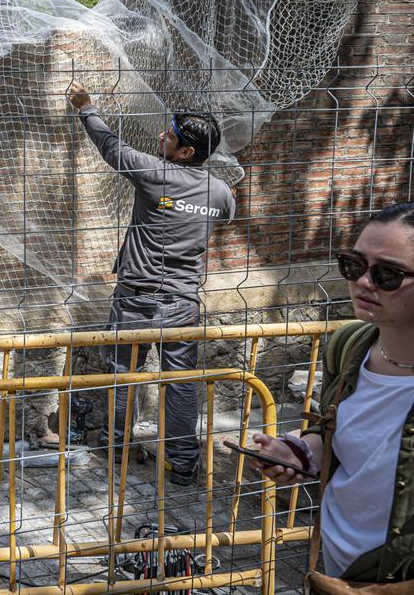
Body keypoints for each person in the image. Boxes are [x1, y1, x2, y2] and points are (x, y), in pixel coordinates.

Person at [67, 81, 235, 486]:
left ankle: (115, 445)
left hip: (136, 301)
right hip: (182, 303)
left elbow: (110, 147)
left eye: (170, 135)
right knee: (180, 385)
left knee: (124, 376)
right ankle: (183, 463)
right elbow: (220, 218)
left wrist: (86, 107)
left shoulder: (155, 176)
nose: (162, 135)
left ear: (186, 152)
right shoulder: (220, 193)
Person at [250, 203, 414, 583]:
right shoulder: (347, 346)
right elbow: (336, 435)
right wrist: (301, 453)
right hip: (337, 565)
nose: (363, 282)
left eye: (387, 274)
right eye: (354, 264)